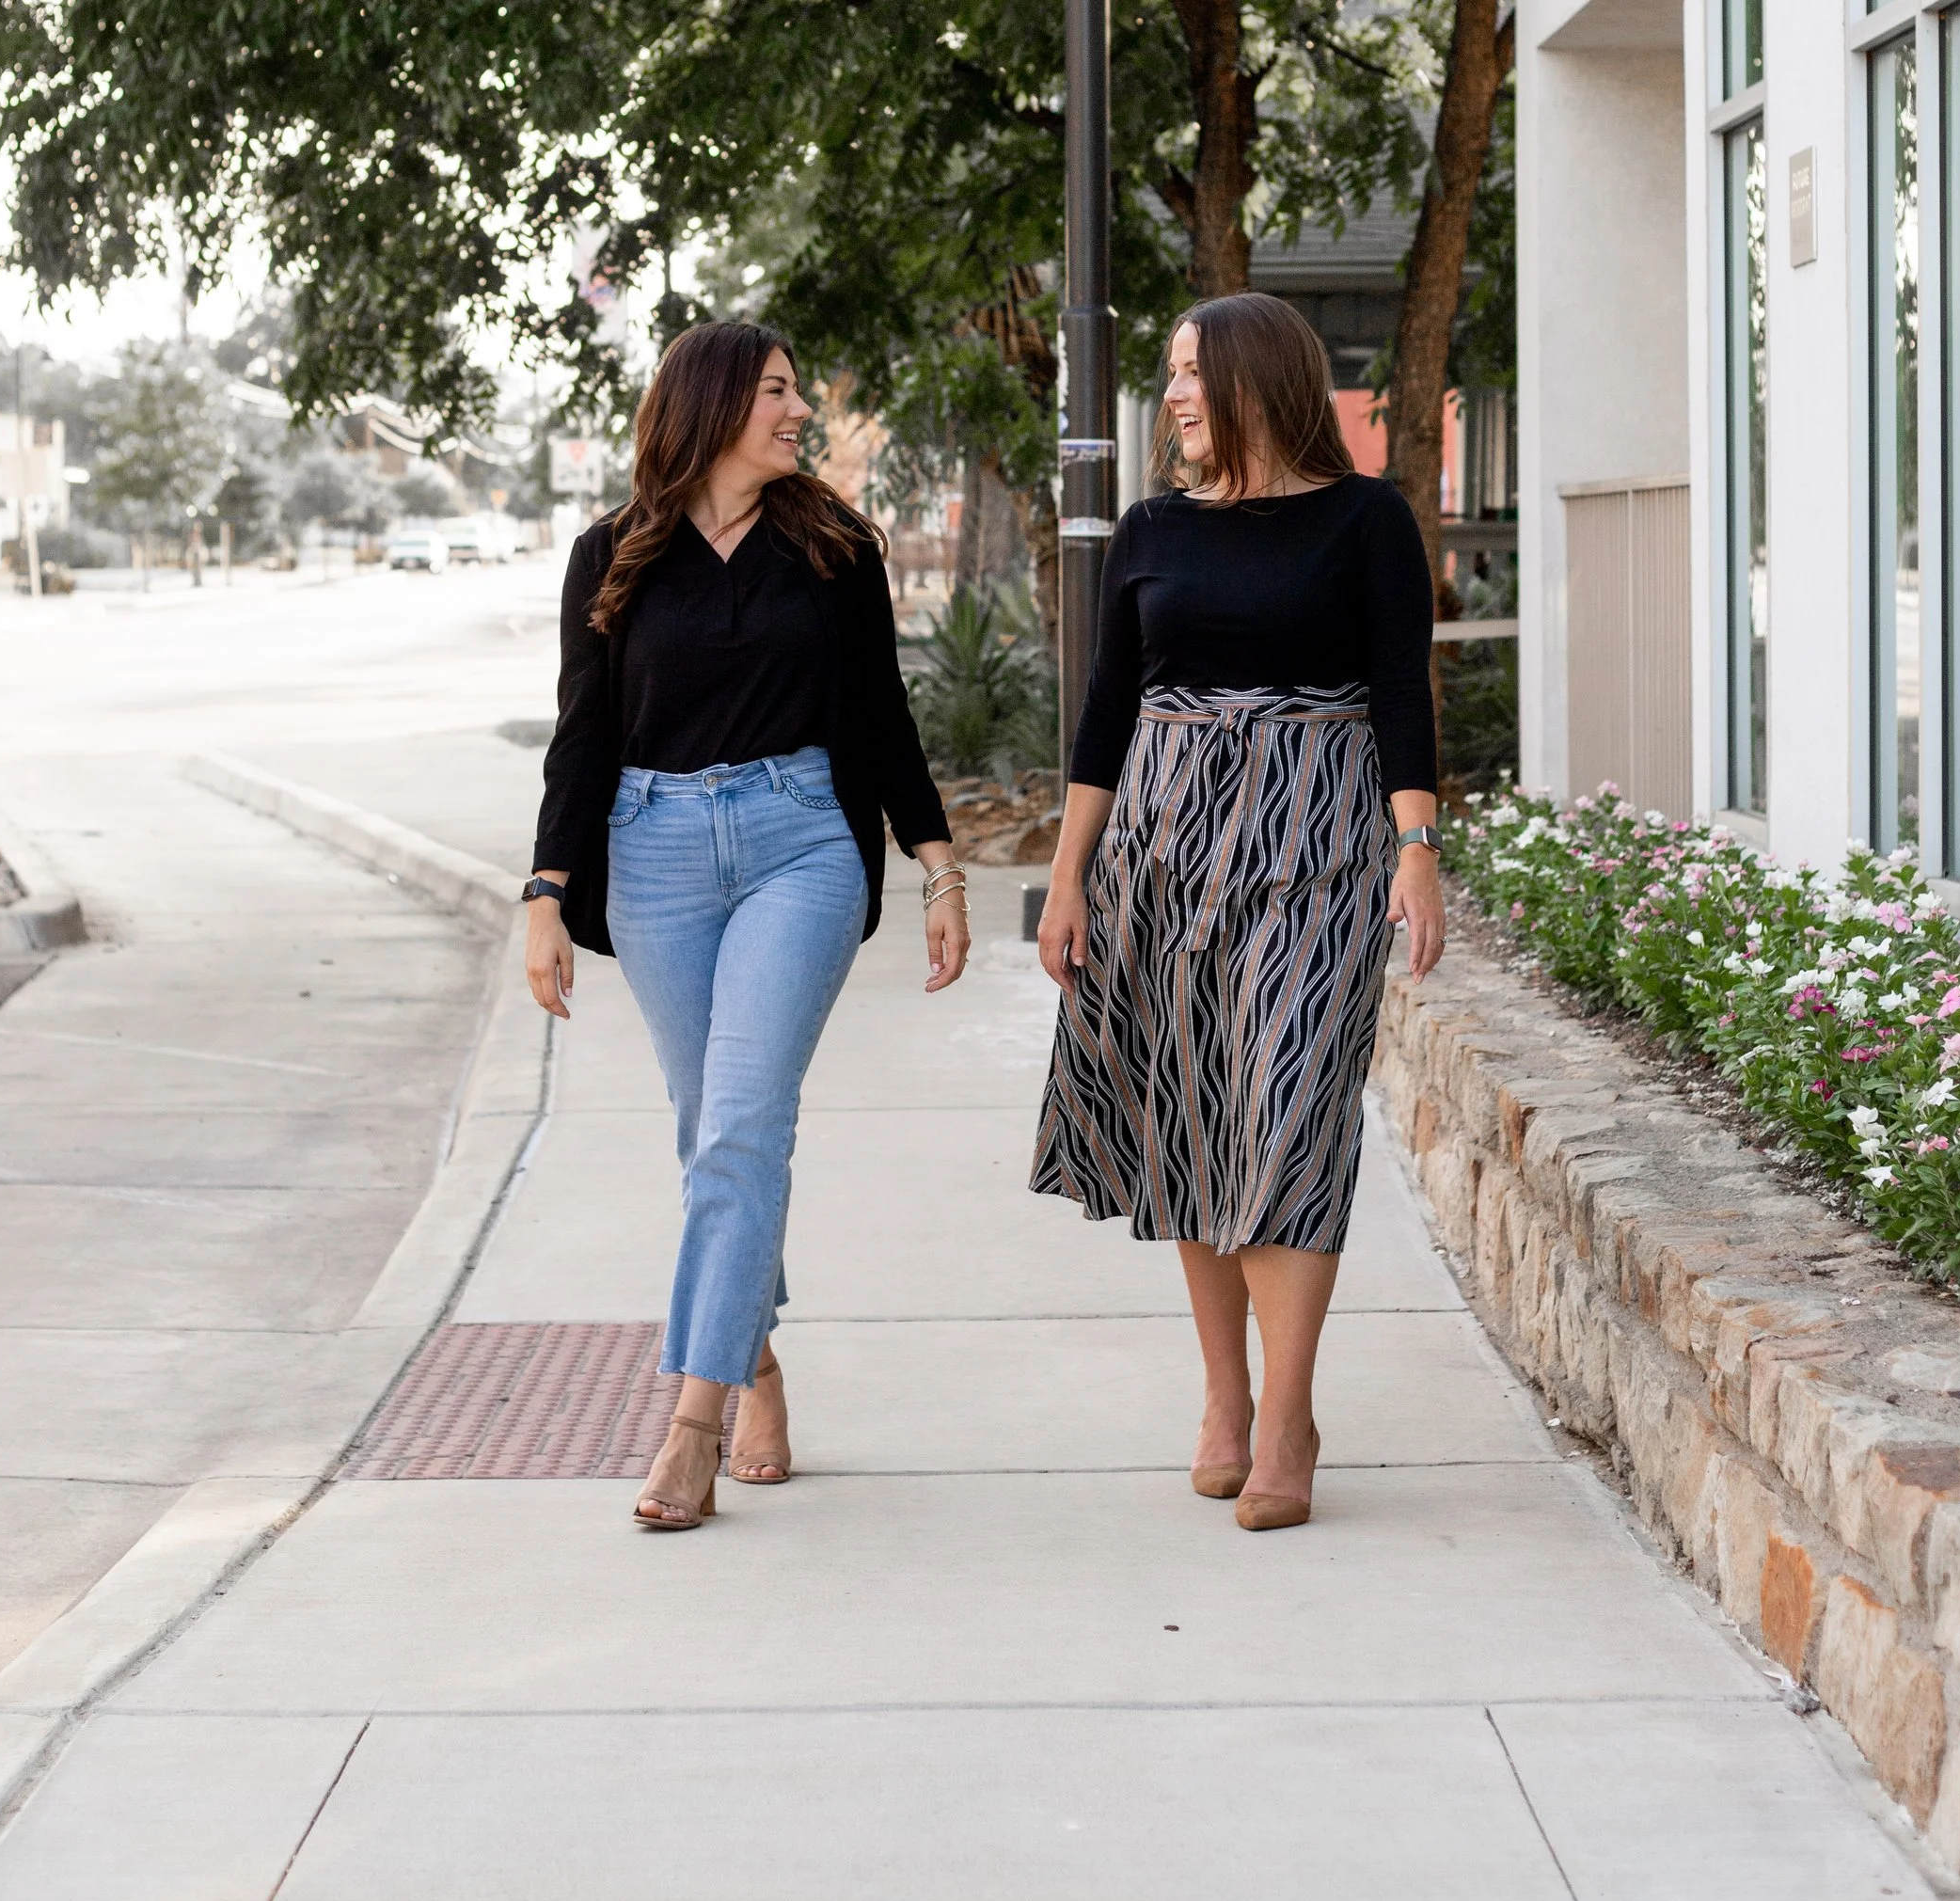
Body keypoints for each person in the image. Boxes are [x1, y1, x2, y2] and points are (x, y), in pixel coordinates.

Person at [524, 319, 969, 1529]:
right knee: (705, 1131)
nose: (796, 415)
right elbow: (582, 737)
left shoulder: (832, 547)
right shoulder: (610, 555)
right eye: (777, 393)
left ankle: (690, 1420)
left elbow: (881, 714)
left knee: (741, 1128)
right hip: (655, 854)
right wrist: (545, 895)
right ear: (715, 405)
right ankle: (758, 1359)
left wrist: (938, 866)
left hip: (799, 846)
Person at [1032, 293, 1443, 1533]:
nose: (1173, 395)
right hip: (1161, 848)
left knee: (1293, 1113)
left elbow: (1399, 690)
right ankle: (1224, 1397)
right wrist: (1067, 874)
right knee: (1196, 1118)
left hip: (1317, 843)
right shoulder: (1153, 529)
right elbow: (1107, 708)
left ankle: (1288, 1416)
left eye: (1189, 372)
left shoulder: (1366, 519)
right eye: (1167, 373)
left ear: (1258, 378)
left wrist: (1415, 846)